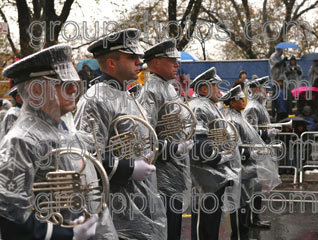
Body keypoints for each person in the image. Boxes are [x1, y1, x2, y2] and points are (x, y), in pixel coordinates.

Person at [0, 44, 117, 240]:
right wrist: (67, 234)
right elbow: (10, 216)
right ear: (37, 89)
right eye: (61, 82)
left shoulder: (60, 131)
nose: (73, 88)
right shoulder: (21, 139)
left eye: (72, 81)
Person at [74, 29, 167, 239]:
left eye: (139, 57)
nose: (139, 62)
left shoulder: (128, 94)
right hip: (117, 207)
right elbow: (85, 157)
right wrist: (130, 167)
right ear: (112, 63)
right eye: (132, 57)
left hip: (142, 198)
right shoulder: (95, 99)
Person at [140, 39, 192, 240]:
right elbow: (146, 137)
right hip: (161, 175)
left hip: (174, 171)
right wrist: (174, 147)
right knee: (166, 229)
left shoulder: (168, 87)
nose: (177, 64)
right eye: (171, 60)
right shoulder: (151, 90)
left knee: (174, 227)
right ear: (156, 62)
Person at [188, 67, 241, 240]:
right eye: (215, 86)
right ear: (204, 89)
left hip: (212, 174)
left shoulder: (208, 105)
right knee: (204, 222)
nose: (220, 90)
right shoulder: (198, 106)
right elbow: (199, 144)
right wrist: (219, 157)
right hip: (203, 174)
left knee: (211, 221)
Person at [222, 85, 281, 238]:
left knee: (246, 203)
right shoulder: (231, 119)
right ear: (233, 102)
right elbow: (233, 147)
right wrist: (250, 153)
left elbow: (251, 135)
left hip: (247, 167)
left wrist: (263, 138)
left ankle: (244, 233)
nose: (244, 101)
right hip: (239, 169)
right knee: (240, 206)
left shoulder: (238, 116)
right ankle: (239, 235)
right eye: (240, 99)